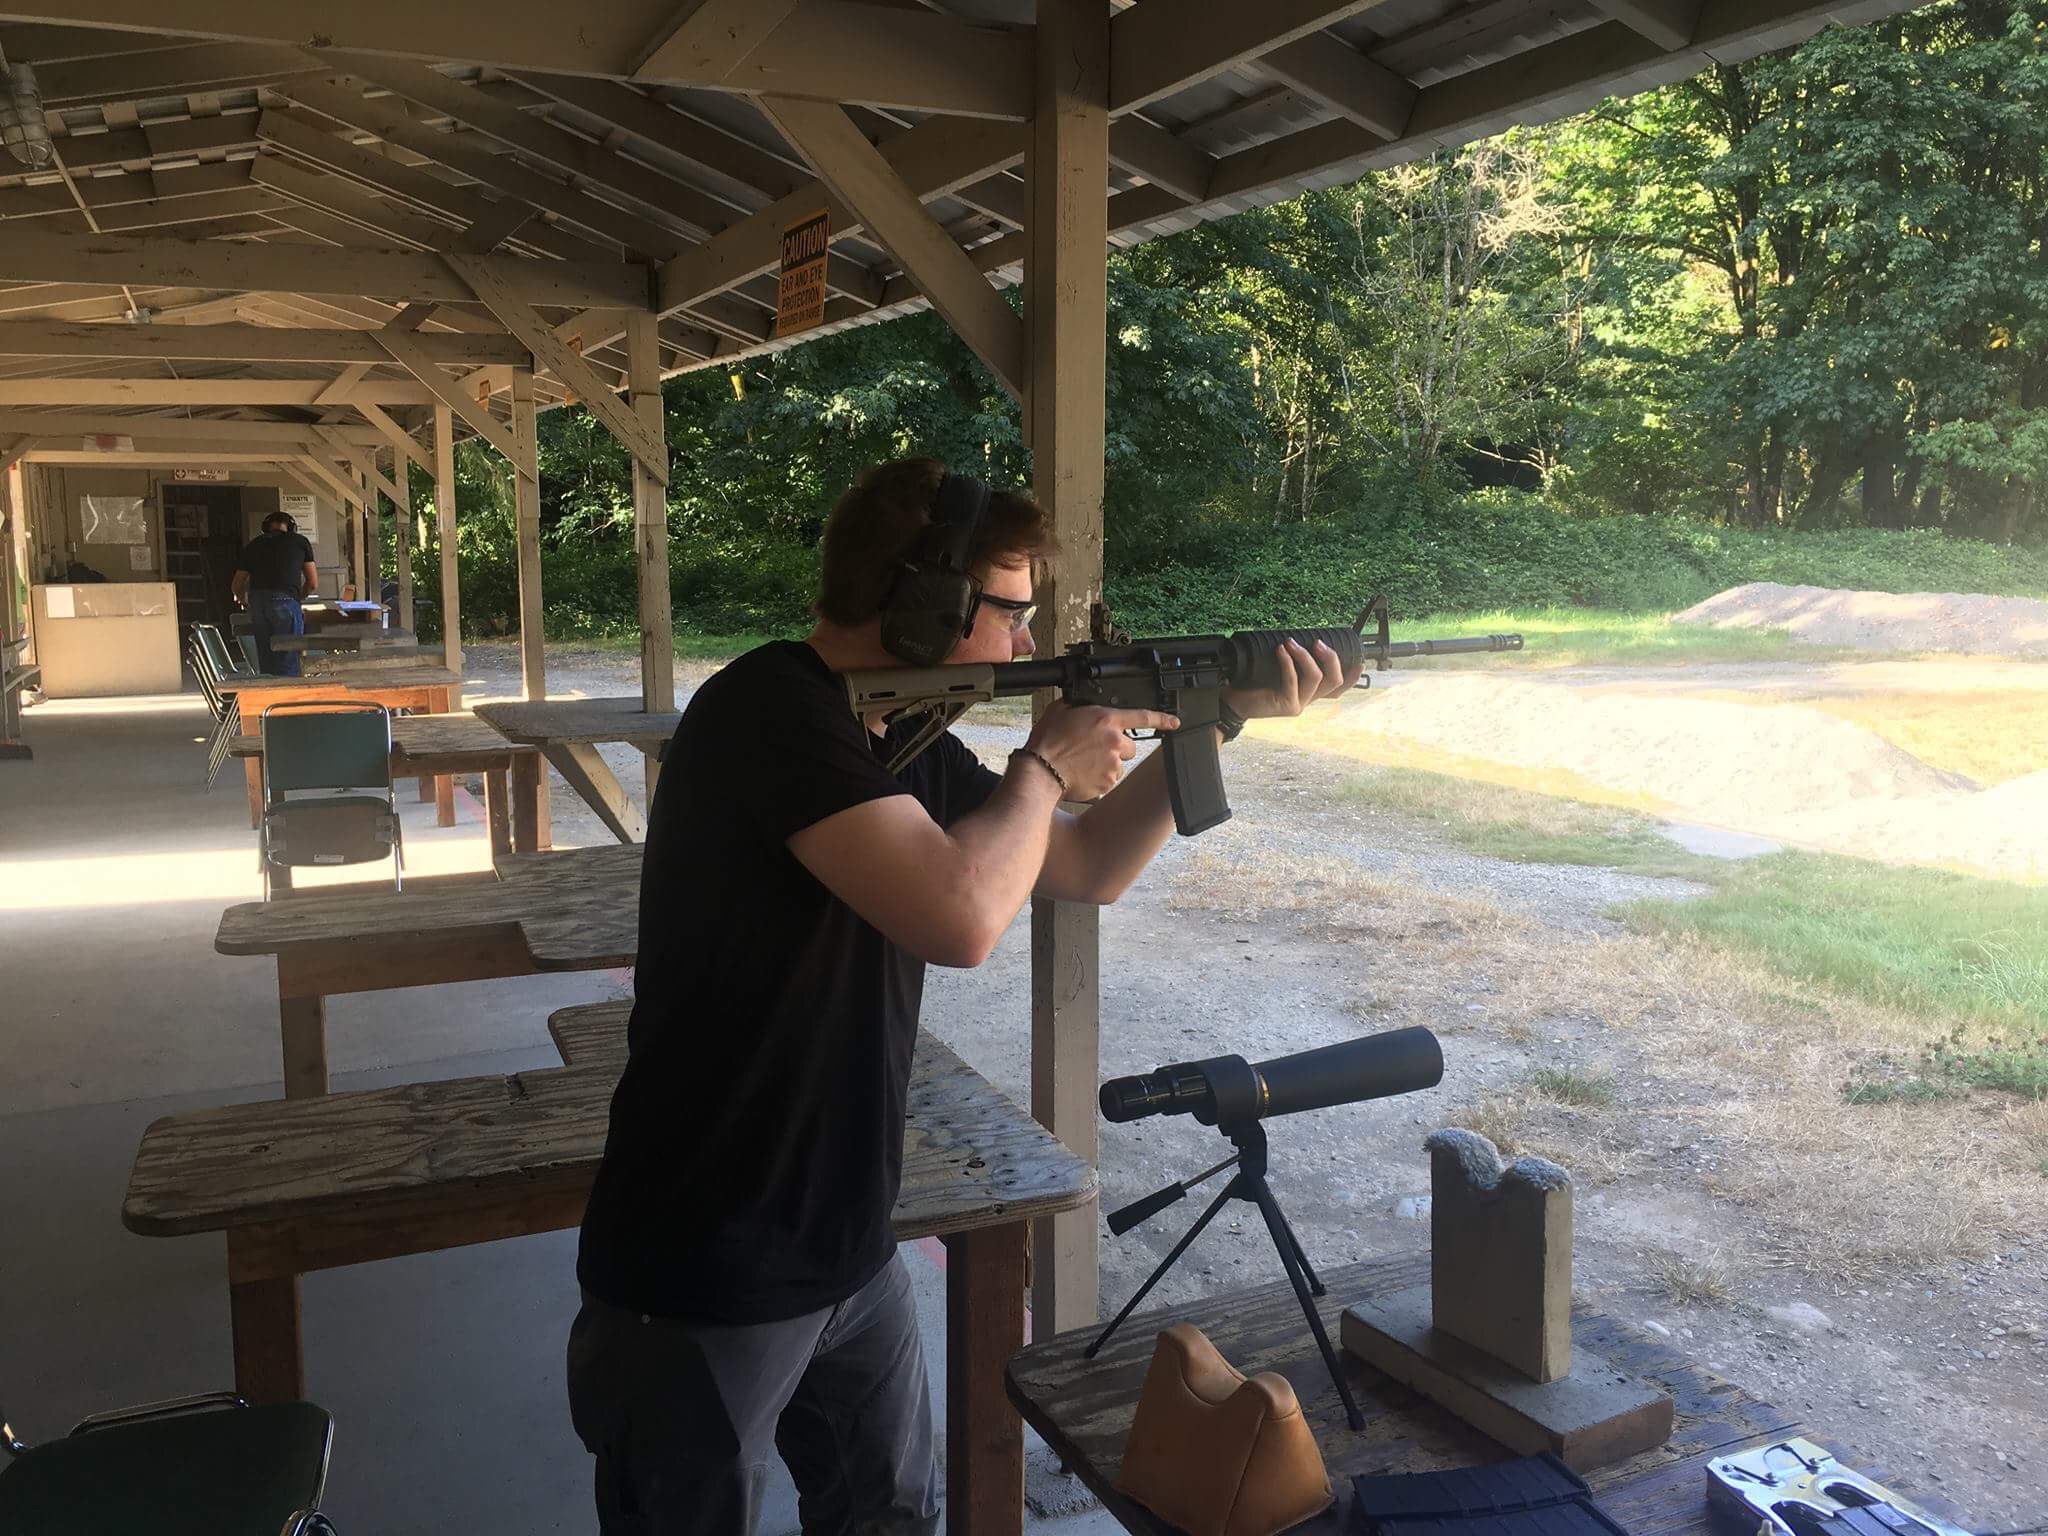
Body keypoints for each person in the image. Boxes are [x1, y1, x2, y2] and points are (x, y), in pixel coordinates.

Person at [567, 458, 1362, 1535]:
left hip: (846, 1239)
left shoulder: (897, 738)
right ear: (923, 601)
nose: (1026, 646)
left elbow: (1085, 866)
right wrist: (1043, 767)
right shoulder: (771, 710)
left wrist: (1215, 717)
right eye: (1010, 614)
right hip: (704, 1253)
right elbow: (961, 918)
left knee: (890, 1514)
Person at [230, 510, 318, 676]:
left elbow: (236, 585)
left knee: (266, 658)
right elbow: (312, 583)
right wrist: (298, 598)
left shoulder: (254, 544)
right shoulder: (300, 542)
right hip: (285, 599)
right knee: (288, 658)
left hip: (258, 602)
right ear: (291, 527)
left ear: (265, 528)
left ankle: (269, 689)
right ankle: (287, 691)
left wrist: (243, 600)